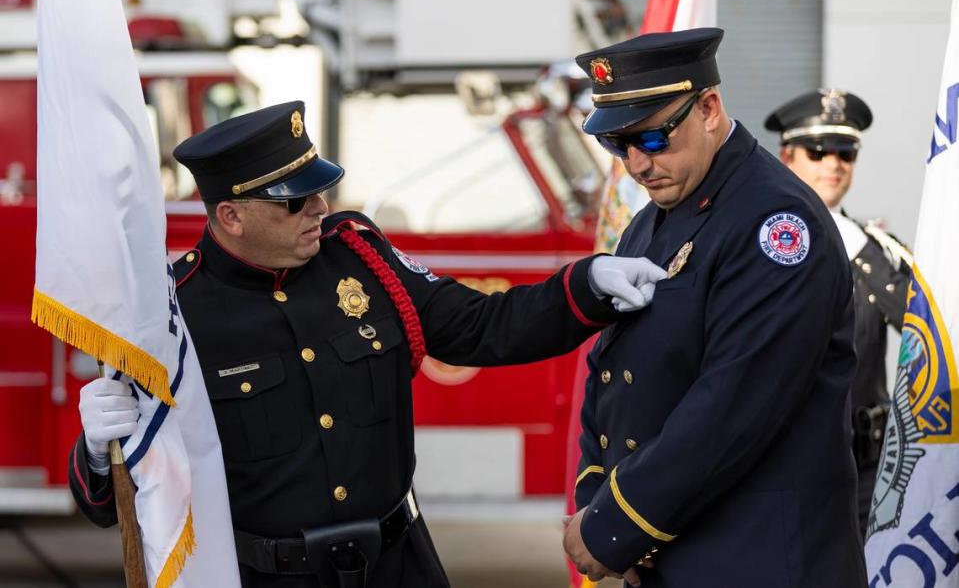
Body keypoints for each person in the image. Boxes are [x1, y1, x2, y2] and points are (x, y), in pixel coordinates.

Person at [66, 100, 668, 588]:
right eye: (296, 201)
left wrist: (586, 287)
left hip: (395, 567)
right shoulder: (175, 314)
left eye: (321, 189)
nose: (320, 209)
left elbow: (483, 326)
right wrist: (96, 453)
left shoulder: (360, 255)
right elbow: (120, 500)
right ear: (230, 217)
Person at [562, 28, 866, 587]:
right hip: (671, 552)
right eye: (616, 144)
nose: (635, 164)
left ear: (708, 108)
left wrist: (617, 523)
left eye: (651, 140)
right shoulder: (651, 221)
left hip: (759, 561)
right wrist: (597, 496)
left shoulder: (777, 224)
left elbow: (732, 404)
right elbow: (611, 374)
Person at [765, 89, 912, 534]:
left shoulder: (876, 250)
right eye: (818, 150)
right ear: (787, 156)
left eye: (845, 152)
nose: (833, 163)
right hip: (779, 470)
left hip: (867, 470)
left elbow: (925, 327)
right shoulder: (757, 243)